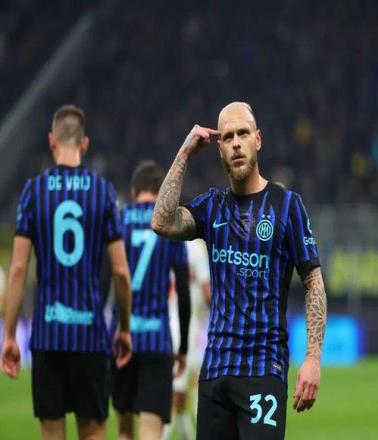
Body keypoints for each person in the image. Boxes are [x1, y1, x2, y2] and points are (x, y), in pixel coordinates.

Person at [151, 102, 327, 439]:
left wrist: (312, 359)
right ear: (219, 148)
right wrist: (185, 153)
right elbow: (161, 221)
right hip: (215, 373)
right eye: (228, 137)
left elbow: (313, 282)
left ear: (257, 139)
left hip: (263, 371)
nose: (235, 143)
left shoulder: (287, 206)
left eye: (242, 134)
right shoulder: (211, 206)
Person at [0, 104, 133, 440]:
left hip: (48, 335)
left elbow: (18, 269)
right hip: (90, 335)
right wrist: (124, 328)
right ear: (84, 144)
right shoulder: (103, 192)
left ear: (51, 140)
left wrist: (10, 335)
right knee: (93, 432)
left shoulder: (33, 192)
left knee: (51, 433)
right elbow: (120, 271)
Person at [111, 160, 191, 440]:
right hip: (157, 340)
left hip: (121, 339)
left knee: (124, 430)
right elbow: (183, 290)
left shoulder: (119, 220)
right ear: (160, 192)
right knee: (150, 431)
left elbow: (105, 277)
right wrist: (182, 347)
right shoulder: (169, 225)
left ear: (134, 192)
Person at [163, 238, 211, 440]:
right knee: (181, 388)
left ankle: (187, 434)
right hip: (186, 324)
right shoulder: (196, 248)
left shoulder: (166, 241)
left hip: (164, 320)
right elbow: (207, 291)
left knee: (183, 387)